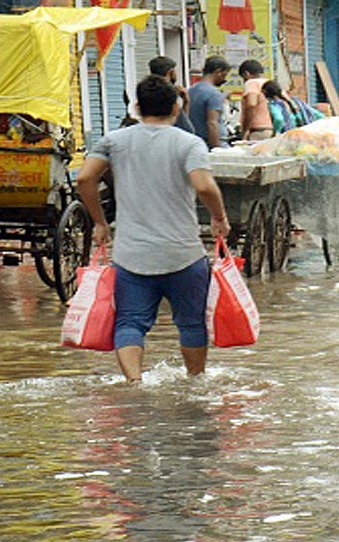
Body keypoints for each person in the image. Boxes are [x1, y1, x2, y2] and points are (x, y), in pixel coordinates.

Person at [76, 75, 230, 383]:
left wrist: (99, 222)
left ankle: (134, 382)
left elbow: (84, 179)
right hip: (182, 254)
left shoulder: (114, 140)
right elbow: (204, 185)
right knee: (191, 323)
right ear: (176, 107)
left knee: (130, 322)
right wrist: (219, 218)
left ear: (136, 107)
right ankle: (195, 381)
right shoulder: (189, 143)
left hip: (132, 254)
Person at [189, 56, 230, 148]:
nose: (224, 80)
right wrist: (217, 148)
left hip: (195, 140)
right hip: (212, 142)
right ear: (218, 72)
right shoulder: (214, 94)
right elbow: (212, 123)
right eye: (224, 75)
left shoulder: (191, 90)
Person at [148, 55, 195, 134]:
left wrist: (185, 102)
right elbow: (186, 129)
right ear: (171, 72)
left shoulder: (147, 92)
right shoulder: (167, 93)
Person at [238, 59, 274, 141]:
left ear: (246, 74)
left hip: (258, 131)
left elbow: (251, 104)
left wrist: (246, 129)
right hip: (274, 131)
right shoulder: (272, 84)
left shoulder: (252, 83)